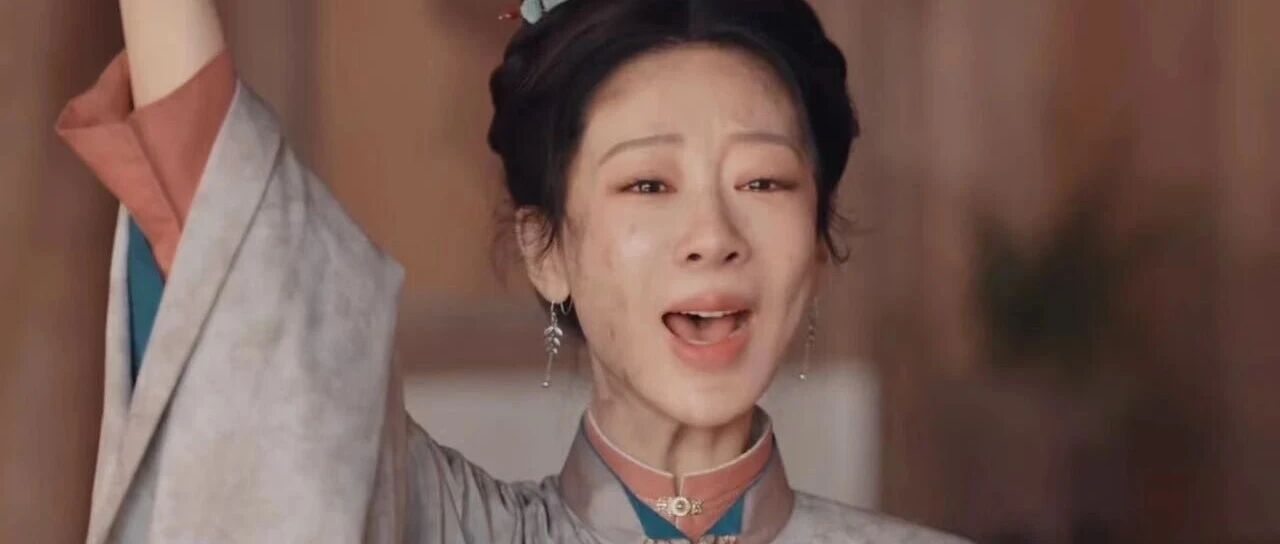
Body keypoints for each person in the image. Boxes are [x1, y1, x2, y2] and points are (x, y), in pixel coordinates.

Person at [57, 0, 972, 542]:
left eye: (763, 182)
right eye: (648, 183)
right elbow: (238, 239)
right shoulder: (435, 526)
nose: (713, 236)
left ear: (816, 245)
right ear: (547, 249)